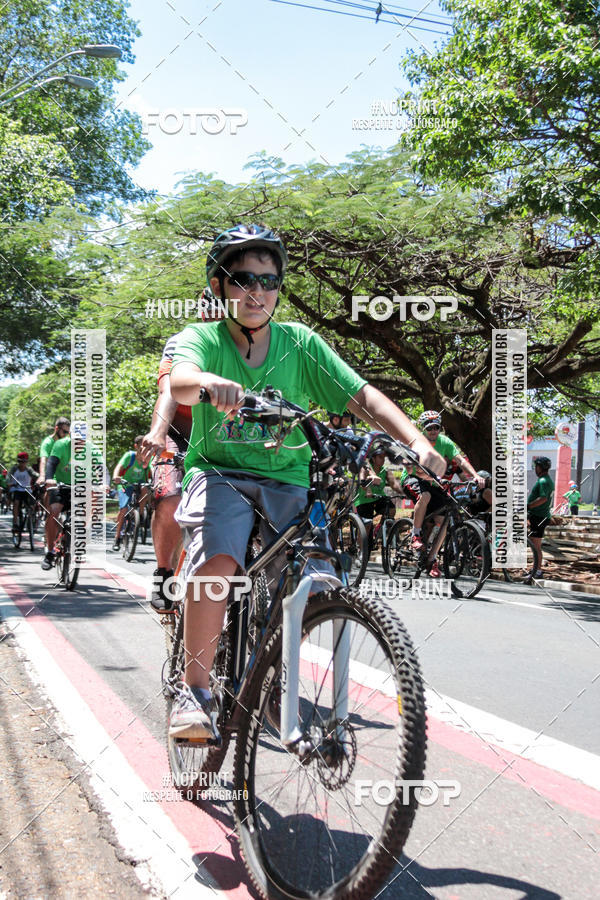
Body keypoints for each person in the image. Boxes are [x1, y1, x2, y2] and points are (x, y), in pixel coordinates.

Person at [166, 223, 445, 740]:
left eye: (269, 281)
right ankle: (196, 690)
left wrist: (417, 443)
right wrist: (206, 383)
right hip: (220, 474)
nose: (257, 292)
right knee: (220, 560)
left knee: (311, 581)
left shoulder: (301, 343)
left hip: (288, 482)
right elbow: (180, 380)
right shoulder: (201, 338)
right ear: (218, 287)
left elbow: (364, 396)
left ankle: (270, 673)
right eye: (242, 279)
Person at [140, 290, 224, 612]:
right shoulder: (184, 341)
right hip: (178, 429)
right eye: (211, 312)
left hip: (222, 437)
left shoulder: (248, 347)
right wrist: (158, 432)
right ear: (202, 313)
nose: (216, 319)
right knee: (171, 496)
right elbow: (171, 390)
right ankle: (164, 573)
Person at [400, 411, 486, 576]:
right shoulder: (417, 441)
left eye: (436, 427)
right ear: (423, 428)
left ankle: (431, 559)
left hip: (432, 482)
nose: (433, 431)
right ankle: (415, 535)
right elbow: (410, 467)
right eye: (429, 427)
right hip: (412, 479)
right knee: (425, 496)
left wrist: (475, 476)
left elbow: (460, 460)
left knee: (444, 519)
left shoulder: (444, 441)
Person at [41, 429, 108, 570]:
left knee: (88, 506)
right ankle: (50, 552)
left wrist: (104, 483)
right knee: (54, 512)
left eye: (82, 440)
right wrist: (48, 478)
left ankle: (81, 537)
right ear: (70, 436)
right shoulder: (60, 445)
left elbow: (101, 468)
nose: (78, 443)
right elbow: (52, 463)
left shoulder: (92, 448)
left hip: (82, 485)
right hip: (61, 484)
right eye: (75, 439)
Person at [354, 448, 404, 545]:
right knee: (366, 526)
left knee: (391, 510)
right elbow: (362, 481)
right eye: (380, 457)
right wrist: (368, 490)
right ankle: (360, 549)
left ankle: (378, 530)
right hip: (364, 500)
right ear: (373, 458)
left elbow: (394, 484)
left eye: (384, 458)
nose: (383, 460)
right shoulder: (366, 468)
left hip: (378, 498)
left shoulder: (385, 470)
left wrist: (404, 493)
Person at [111, 436, 150, 552]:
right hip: (125, 485)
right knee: (123, 510)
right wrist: (116, 477)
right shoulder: (130, 456)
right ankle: (117, 537)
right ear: (136, 446)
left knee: (146, 489)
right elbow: (118, 468)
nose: (144, 449)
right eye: (142, 446)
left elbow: (152, 470)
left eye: (147, 447)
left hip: (140, 485)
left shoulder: (149, 459)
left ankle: (141, 514)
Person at [38, 417, 70, 553]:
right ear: (56, 429)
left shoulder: (68, 443)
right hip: (52, 479)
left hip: (67, 480)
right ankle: (49, 540)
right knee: (52, 511)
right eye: (64, 431)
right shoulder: (48, 442)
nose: (66, 434)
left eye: (68, 432)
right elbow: (44, 461)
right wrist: (43, 476)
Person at [526, 456, 554, 580]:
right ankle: (535, 569)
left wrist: (529, 506)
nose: (535, 469)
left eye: (536, 466)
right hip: (538, 516)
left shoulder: (543, 481)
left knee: (536, 546)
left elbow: (543, 498)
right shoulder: (545, 480)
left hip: (539, 516)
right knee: (534, 544)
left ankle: (537, 571)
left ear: (541, 467)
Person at [8, 453, 38, 533]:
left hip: (27, 490)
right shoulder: (14, 469)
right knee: (16, 503)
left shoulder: (29, 470)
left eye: (24, 461)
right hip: (16, 489)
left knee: (32, 504)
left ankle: (31, 521)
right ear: (18, 461)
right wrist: (9, 482)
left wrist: (41, 479)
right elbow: (8, 476)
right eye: (21, 461)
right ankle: (15, 522)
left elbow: (35, 475)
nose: (22, 463)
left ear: (27, 462)